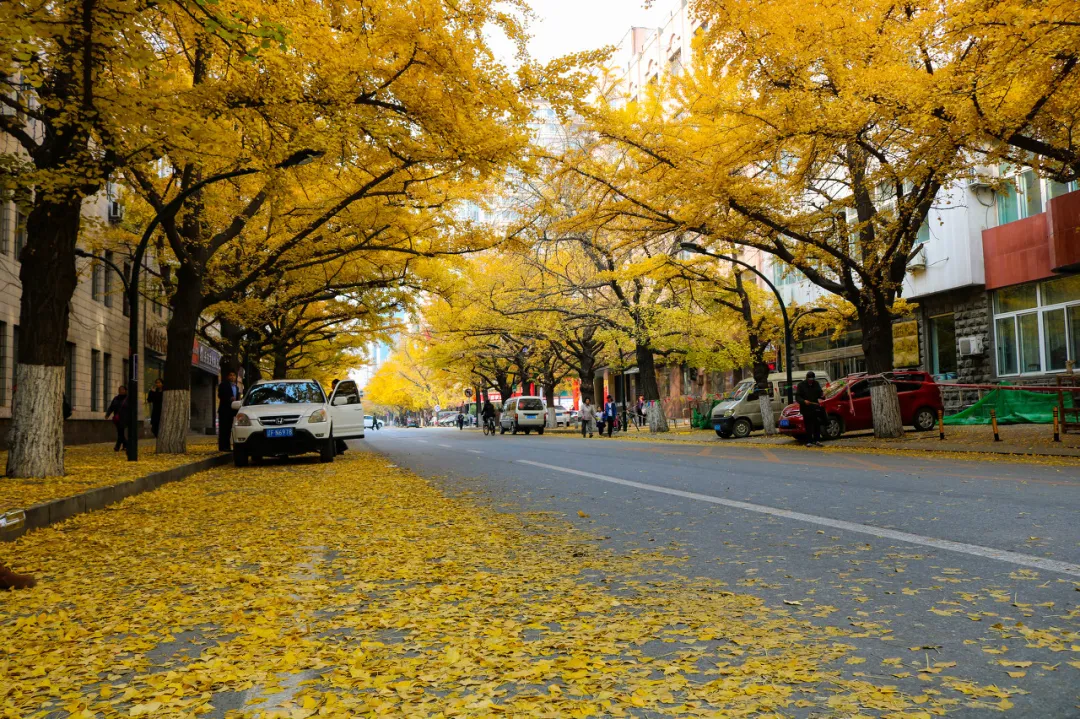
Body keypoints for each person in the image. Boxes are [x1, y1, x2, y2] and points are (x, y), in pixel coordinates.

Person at [795, 371, 825, 447]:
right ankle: (809, 441)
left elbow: (820, 393)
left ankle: (817, 440)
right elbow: (797, 397)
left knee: (817, 424)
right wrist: (803, 401)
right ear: (807, 378)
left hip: (815, 407)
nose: (811, 381)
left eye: (812, 379)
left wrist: (822, 396)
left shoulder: (816, 384)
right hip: (806, 408)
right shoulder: (801, 385)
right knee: (808, 425)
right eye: (809, 379)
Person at [217, 370, 239, 452]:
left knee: (229, 429)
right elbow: (220, 395)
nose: (232, 377)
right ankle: (222, 447)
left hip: (232, 411)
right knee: (223, 429)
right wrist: (229, 398)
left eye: (234, 375)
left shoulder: (236, 387)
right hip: (224, 410)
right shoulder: (223, 385)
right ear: (228, 376)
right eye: (231, 375)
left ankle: (228, 447)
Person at [105, 385, 129, 452]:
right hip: (117, 418)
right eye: (119, 389)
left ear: (125, 390)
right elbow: (111, 407)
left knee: (120, 433)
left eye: (122, 389)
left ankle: (117, 447)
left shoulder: (128, 399)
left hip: (125, 418)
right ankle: (126, 446)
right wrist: (107, 414)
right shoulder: (116, 398)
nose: (120, 391)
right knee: (120, 433)